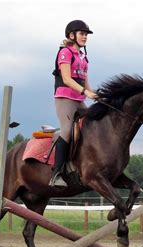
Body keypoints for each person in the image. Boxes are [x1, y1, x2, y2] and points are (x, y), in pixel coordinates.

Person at [49, 20, 98, 188]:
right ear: (72, 35)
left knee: (93, 125)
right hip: (65, 98)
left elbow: (84, 81)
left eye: (86, 34)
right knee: (68, 129)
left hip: (79, 100)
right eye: (82, 34)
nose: (85, 37)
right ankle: (57, 174)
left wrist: (95, 95)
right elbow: (67, 79)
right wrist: (86, 92)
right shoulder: (65, 53)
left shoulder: (83, 57)